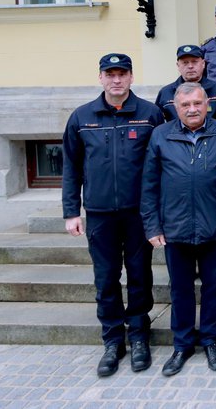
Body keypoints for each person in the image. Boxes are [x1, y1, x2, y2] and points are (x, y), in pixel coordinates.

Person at [61, 53, 164, 377]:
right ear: (101, 77)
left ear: (131, 77)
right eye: (110, 74)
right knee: (105, 279)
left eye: (122, 74)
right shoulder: (82, 117)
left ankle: (138, 336)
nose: (116, 80)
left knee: (139, 277)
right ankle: (112, 341)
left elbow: (163, 163)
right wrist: (70, 212)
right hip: (100, 214)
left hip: (138, 214)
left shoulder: (150, 115)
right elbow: (71, 167)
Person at [141, 82, 216, 376]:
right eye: (186, 105)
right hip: (175, 228)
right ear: (176, 107)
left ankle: (210, 340)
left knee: (212, 288)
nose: (193, 109)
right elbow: (149, 185)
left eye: (198, 103)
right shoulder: (161, 135)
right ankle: (181, 344)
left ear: (207, 104)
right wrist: (152, 225)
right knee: (180, 290)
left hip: (214, 227)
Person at [155, 44, 216, 122]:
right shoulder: (166, 92)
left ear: (203, 64)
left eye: (194, 62)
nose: (190, 66)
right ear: (178, 66)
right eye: (185, 63)